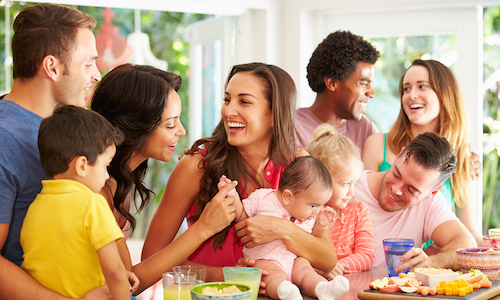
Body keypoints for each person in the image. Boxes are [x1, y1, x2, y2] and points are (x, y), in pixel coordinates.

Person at [143, 63, 337, 282]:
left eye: (244, 101)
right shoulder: (195, 167)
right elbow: (151, 257)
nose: (228, 111)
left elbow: (328, 259)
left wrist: (282, 229)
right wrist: (227, 276)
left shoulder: (299, 164)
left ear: (275, 114)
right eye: (227, 100)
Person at [90, 64, 238, 294]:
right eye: (170, 124)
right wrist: (203, 229)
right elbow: (128, 284)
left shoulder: (120, 182)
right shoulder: (98, 189)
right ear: (135, 127)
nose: (181, 131)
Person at [0, 4, 109, 299]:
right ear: (52, 67)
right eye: (88, 64)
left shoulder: (64, 130)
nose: (96, 75)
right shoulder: (4, 138)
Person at [21, 106, 139, 299]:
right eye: (106, 165)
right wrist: (118, 281)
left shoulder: (35, 206)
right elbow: (115, 271)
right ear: (82, 165)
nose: (107, 175)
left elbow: (64, 265)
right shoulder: (92, 203)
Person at [362, 59, 482, 246]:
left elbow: (469, 230)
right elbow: (360, 213)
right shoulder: (377, 144)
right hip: (376, 259)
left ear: (445, 95)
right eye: (406, 89)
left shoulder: (460, 155)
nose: (412, 95)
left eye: (422, 86)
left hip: (433, 268)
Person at [218, 156, 349, 300]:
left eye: (319, 205)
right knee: (272, 276)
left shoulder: (309, 215)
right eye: (313, 205)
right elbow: (242, 215)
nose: (316, 211)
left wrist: (321, 225)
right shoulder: (263, 198)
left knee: (306, 270)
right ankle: (284, 292)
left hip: (295, 261)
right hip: (266, 259)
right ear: (288, 197)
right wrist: (233, 196)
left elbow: (315, 239)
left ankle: (321, 288)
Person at [354, 132, 476, 271]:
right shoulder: (351, 186)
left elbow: (466, 247)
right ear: (398, 156)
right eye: (396, 174)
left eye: (411, 190)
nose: (396, 189)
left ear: (433, 192)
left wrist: (433, 262)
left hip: (390, 291)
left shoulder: (429, 203)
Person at [295, 30, 380, 153]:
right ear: (332, 83)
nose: (371, 93)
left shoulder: (365, 128)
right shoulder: (293, 129)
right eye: (364, 84)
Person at [307, 124, 375, 276]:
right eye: (345, 184)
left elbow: (366, 255)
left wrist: (332, 267)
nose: (352, 192)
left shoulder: (358, 212)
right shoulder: (303, 214)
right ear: (319, 179)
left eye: (354, 183)